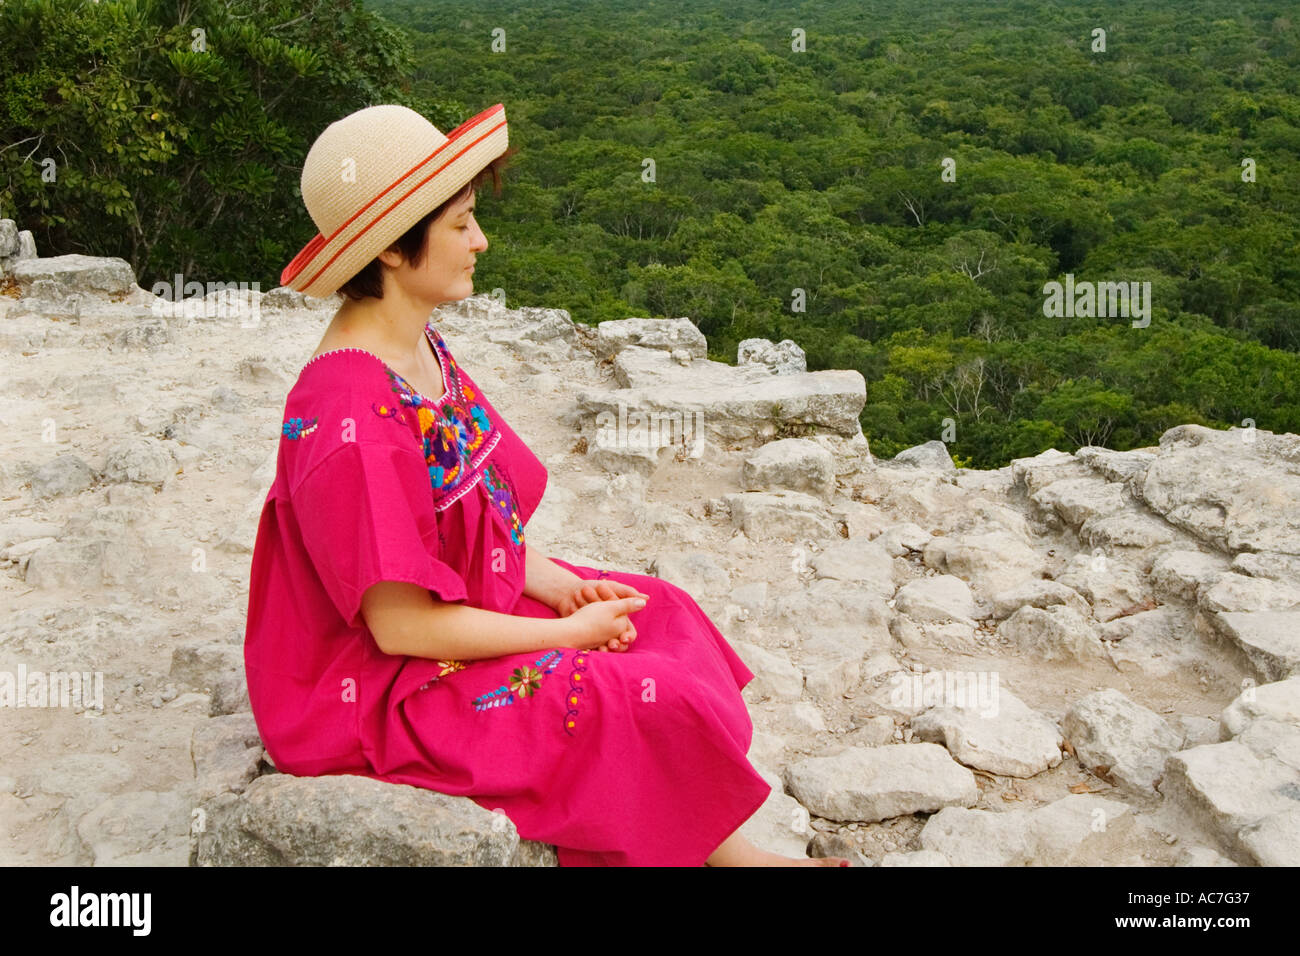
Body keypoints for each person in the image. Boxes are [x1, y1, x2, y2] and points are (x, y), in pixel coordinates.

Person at [244, 103, 851, 867]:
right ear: (395, 249)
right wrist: (564, 635)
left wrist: (561, 587)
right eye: (461, 224)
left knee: (661, 612)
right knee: (609, 693)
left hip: (445, 612)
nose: (480, 241)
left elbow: (472, 516)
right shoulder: (349, 416)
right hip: (377, 688)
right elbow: (400, 628)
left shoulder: (413, 345)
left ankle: (713, 845)